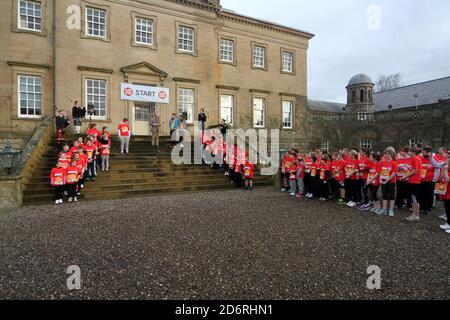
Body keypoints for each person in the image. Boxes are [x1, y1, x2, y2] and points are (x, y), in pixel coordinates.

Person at [401, 147, 422, 222]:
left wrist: (405, 176)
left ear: (413, 152)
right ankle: (414, 214)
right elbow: (412, 170)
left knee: (414, 199)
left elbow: (415, 171)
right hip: (412, 181)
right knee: (412, 199)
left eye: (409, 151)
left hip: (415, 182)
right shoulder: (415, 159)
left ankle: (416, 216)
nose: (407, 153)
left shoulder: (415, 159)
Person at [380, 149, 398, 217]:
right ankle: (384, 209)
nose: (386, 156)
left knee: (391, 196)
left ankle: (391, 210)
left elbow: (394, 173)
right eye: (386, 154)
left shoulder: (394, 163)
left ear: (391, 155)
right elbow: (380, 172)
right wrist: (381, 180)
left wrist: (387, 180)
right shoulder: (382, 162)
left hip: (391, 181)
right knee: (384, 195)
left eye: (388, 154)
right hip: (383, 181)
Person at [419, 147, 436, 215]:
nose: (422, 154)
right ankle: (422, 207)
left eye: (424, 152)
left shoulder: (433, 160)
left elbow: (437, 168)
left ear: (428, 153)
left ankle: (428, 208)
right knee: (422, 194)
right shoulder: (421, 159)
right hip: (422, 179)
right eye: (422, 152)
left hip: (430, 180)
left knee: (429, 195)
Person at [438, 158, 450, 234]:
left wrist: (445, 170)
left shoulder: (447, 171)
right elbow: (441, 178)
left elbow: (447, 179)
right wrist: (443, 169)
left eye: (448, 162)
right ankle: (448, 223)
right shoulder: (447, 170)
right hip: (446, 191)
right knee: (447, 208)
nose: (446, 163)